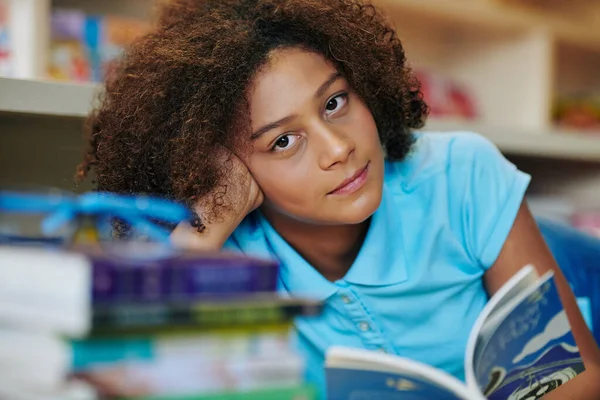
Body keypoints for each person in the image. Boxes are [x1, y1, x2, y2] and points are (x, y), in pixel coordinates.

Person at [77, 0, 600, 397]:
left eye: (334, 102)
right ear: (226, 165)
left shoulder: (463, 174)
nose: (339, 147)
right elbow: (126, 369)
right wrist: (210, 221)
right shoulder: (231, 255)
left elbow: (579, 376)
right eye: (283, 141)